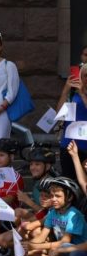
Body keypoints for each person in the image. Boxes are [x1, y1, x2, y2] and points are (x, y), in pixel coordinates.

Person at [57, 47, 87, 180]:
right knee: (69, 182)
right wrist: (66, 89)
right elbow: (60, 114)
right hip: (68, 145)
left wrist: (82, 93)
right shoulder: (73, 93)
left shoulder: (80, 93)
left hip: (85, 147)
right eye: (85, 75)